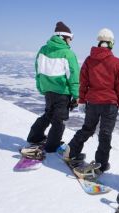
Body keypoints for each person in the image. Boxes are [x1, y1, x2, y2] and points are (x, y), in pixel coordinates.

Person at [63, 28, 119, 173]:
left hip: (92, 103)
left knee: (87, 129)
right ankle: (101, 165)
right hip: (110, 105)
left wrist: (82, 100)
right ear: (111, 43)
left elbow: (83, 81)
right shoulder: (117, 63)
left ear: (99, 43)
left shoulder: (89, 60)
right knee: (105, 135)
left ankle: (70, 151)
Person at [26, 21, 79, 153]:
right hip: (62, 92)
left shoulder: (43, 50)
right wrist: (77, 95)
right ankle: (52, 146)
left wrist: (41, 88)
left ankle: (34, 136)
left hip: (48, 90)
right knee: (59, 120)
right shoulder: (68, 54)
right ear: (63, 37)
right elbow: (73, 77)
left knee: (48, 114)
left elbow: (38, 71)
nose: (70, 41)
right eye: (69, 38)